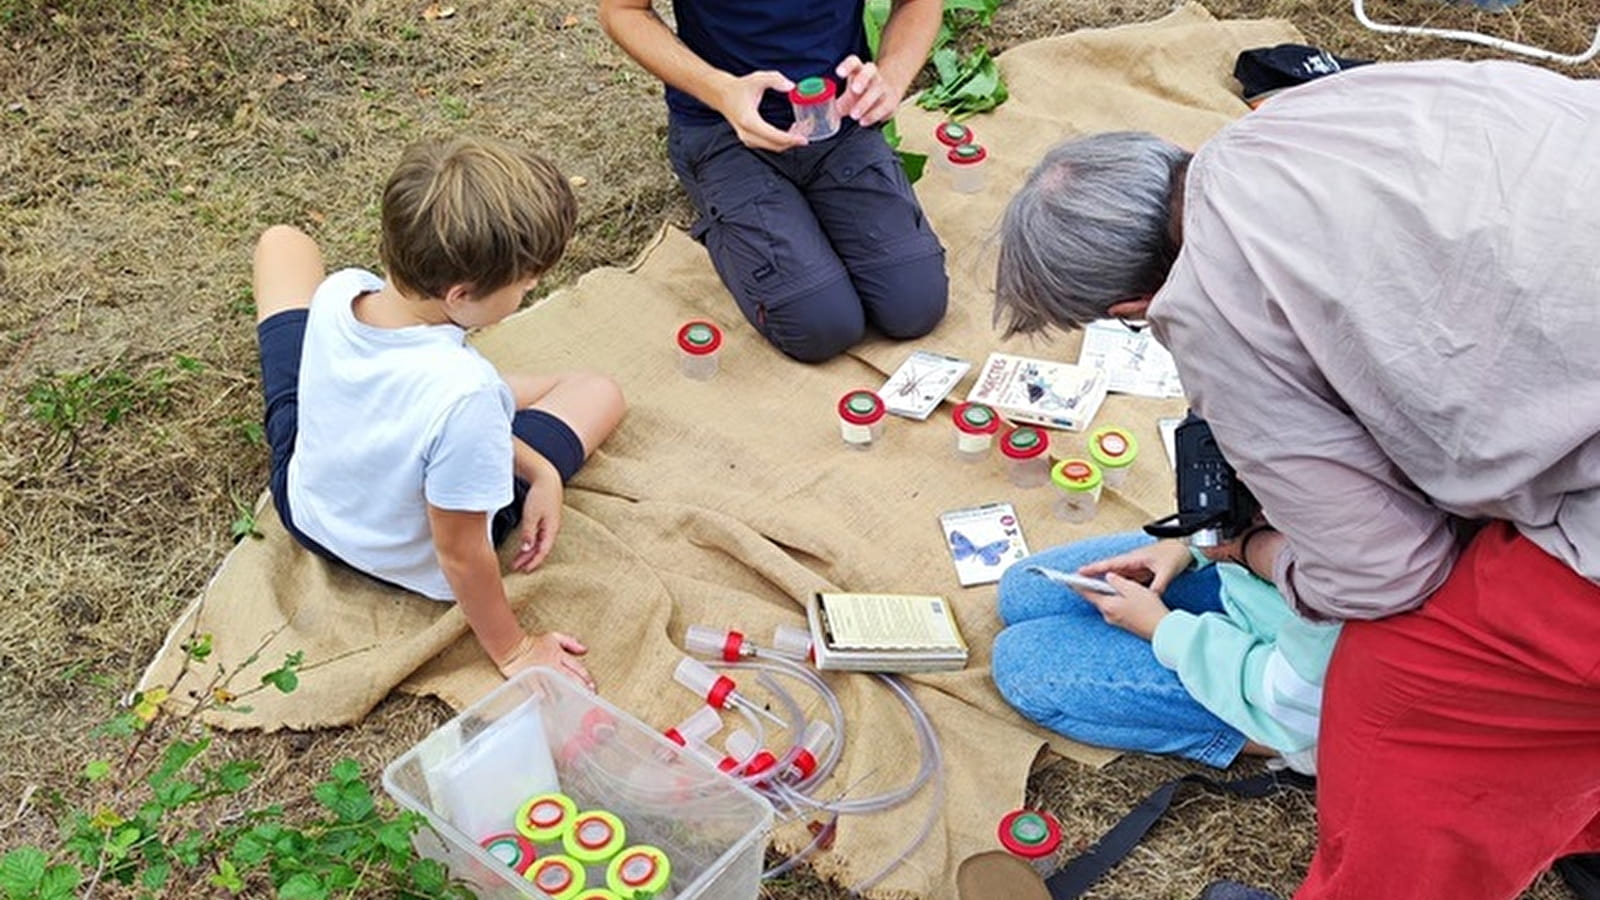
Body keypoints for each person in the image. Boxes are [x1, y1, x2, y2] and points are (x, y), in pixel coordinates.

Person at [993, 59, 1600, 900]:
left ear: (1134, 309)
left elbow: (1383, 576)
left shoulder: (1212, 301)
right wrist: (1209, 549)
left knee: (1399, 724)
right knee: (1028, 590)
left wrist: (1225, 568)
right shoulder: (1305, 112)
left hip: (1315, 660)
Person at [250, 136, 625, 690]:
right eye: (526, 282)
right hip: (405, 552)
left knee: (282, 243)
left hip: (307, 503)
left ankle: (505, 399)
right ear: (460, 294)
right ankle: (511, 398)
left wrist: (539, 470)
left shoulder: (341, 291)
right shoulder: (465, 397)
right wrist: (516, 651)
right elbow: (461, 554)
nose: (532, 287)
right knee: (599, 392)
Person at [598, 0, 949, 363]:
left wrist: (891, 76)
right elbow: (622, 11)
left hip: (836, 117)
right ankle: (728, 209)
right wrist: (720, 90)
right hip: (724, 127)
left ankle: (791, 215)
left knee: (915, 304)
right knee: (822, 324)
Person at [992, 530, 1337, 776]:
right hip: (1251, 583)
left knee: (1021, 666)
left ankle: (1286, 747)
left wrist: (1163, 629)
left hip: (1292, 698)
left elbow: (1292, 688)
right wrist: (1194, 544)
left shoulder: (1360, 593)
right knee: (1024, 590)